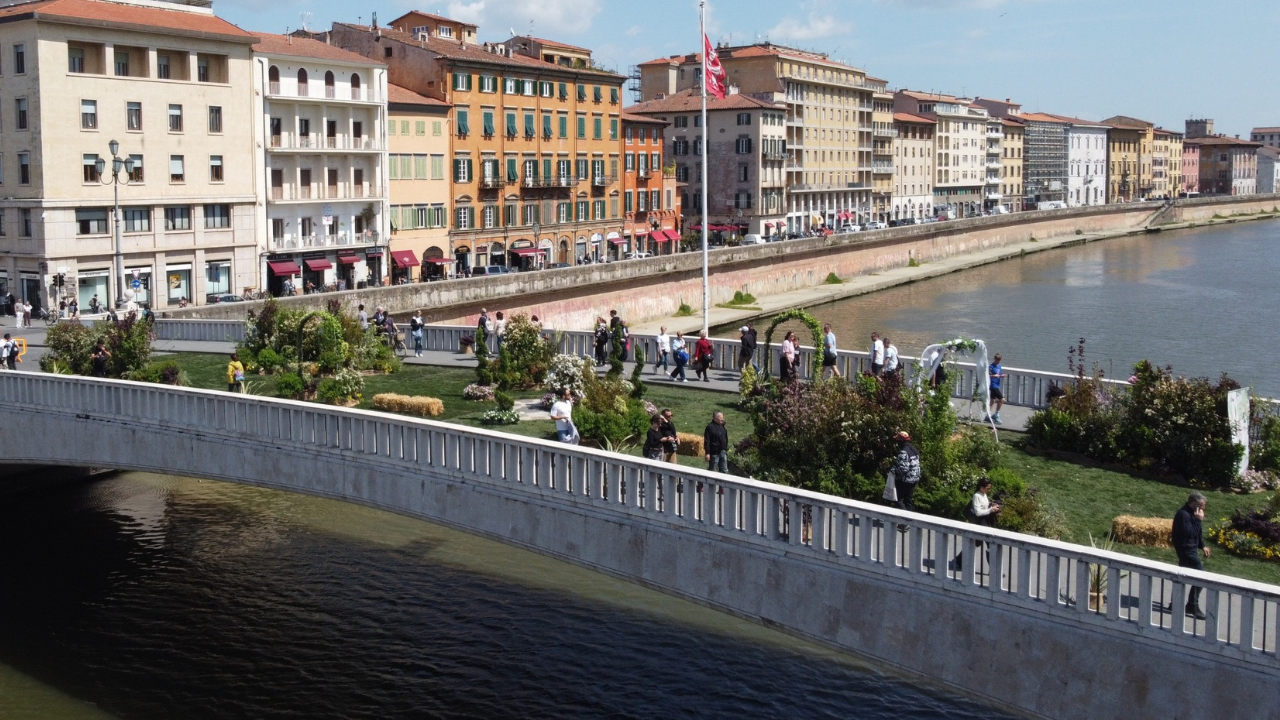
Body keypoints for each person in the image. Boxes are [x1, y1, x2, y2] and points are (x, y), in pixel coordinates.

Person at [1173, 492, 1211, 620]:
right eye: (1202, 506)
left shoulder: (1192, 514)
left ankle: (1175, 604)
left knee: (1181, 576)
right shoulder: (1183, 515)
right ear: (1194, 504)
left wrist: (1202, 545)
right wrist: (1199, 521)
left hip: (1190, 549)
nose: (1203, 509)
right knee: (1201, 577)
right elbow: (1189, 533)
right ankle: (1192, 605)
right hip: (1186, 550)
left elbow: (1197, 534)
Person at [891, 430, 922, 511]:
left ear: (901, 441)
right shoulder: (913, 449)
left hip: (906, 480)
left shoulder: (903, 452)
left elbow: (903, 468)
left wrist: (892, 471)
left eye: (897, 440)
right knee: (908, 501)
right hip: (915, 478)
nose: (897, 442)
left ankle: (904, 519)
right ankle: (909, 520)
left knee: (896, 498)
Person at [986, 353, 1006, 424]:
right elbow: (987, 375)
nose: (998, 361)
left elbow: (998, 375)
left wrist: (1001, 376)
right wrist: (993, 375)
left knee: (992, 401)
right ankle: (996, 414)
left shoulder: (999, 366)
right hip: (993, 385)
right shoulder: (991, 367)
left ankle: (988, 415)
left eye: (999, 360)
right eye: (997, 360)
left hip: (997, 385)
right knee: (1002, 400)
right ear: (994, 359)